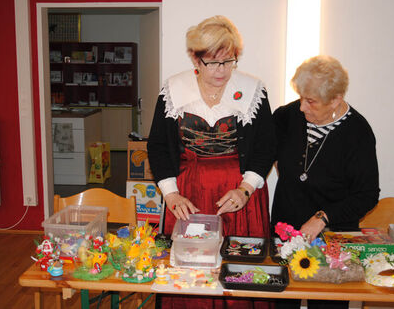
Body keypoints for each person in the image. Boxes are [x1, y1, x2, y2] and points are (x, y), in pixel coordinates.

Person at [148, 15, 275, 308]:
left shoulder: (254, 90)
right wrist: (170, 193)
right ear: (195, 58)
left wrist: (246, 189)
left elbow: (267, 146)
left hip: (239, 193)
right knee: (190, 267)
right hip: (189, 191)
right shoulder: (174, 89)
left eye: (229, 61)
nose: (222, 71)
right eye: (213, 62)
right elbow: (156, 145)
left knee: (240, 265)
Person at [271, 55, 380, 309]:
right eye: (300, 98)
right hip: (284, 232)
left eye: (310, 101)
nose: (302, 108)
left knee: (327, 304)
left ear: (336, 99)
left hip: (332, 238)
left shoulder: (358, 133)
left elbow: (367, 194)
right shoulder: (287, 117)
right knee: (281, 302)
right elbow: (263, 155)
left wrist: (322, 216)